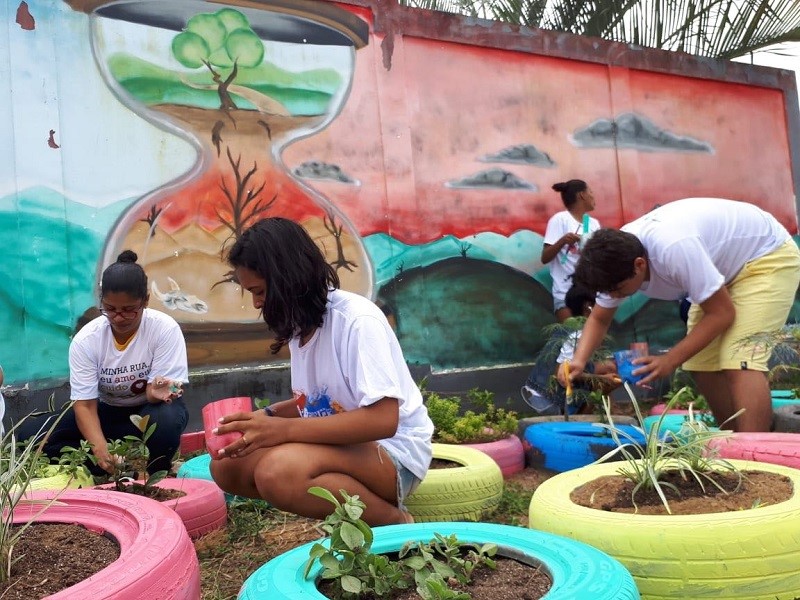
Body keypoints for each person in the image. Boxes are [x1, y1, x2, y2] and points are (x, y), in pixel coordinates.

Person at [208, 217, 433, 526]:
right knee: (227, 466)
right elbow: (314, 403)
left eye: (259, 291)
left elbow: (384, 419)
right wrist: (268, 417)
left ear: (288, 278)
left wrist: (281, 431)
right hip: (344, 448)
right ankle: (351, 501)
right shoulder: (301, 328)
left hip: (393, 455)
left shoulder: (356, 321)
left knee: (279, 472)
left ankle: (394, 522)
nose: (257, 303)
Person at [561, 198, 800, 432]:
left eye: (617, 290)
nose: (614, 296)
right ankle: (733, 444)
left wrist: (669, 360)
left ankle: (755, 456)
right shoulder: (612, 263)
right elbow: (600, 318)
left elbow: (721, 314)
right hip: (723, 271)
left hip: (766, 256)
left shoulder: (672, 249)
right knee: (701, 362)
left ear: (639, 265)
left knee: (741, 357)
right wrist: (579, 361)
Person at [18, 251, 188, 474]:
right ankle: (119, 470)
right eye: (110, 309)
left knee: (166, 418)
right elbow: (85, 406)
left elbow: (169, 389)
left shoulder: (164, 329)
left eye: (128, 310)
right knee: (30, 436)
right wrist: (100, 450)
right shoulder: (87, 340)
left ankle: (158, 470)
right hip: (106, 413)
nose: (118, 317)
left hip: (148, 412)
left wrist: (159, 391)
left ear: (145, 301)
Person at [521, 283, 619, 414]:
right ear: (588, 308)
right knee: (604, 380)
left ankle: (605, 411)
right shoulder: (576, 334)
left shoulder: (570, 327)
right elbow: (561, 374)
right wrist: (602, 379)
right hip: (547, 399)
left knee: (608, 367)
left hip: (540, 389)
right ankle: (581, 419)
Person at [541, 179, 601, 322]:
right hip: (565, 292)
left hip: (590, 293)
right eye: (590, 192)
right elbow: (545, 257)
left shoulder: (592, 224)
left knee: (589, 339)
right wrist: (563, 241)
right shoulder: (560, 219)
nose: (593, 196)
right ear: (582, 195)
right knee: (570, 337)